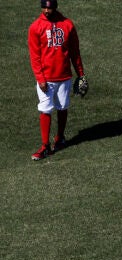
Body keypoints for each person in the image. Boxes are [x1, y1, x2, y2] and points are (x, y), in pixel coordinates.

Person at [28, 0, 86, 161]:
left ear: (55, 7)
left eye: (49, 7)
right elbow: (35, 56)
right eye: (44, 7)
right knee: (45, 109)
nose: (46, 10)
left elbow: (75, 52)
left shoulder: (67, 24)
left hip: (64, 76)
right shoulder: (35, 27)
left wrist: (81, 74)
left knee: (62, 107)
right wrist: (40, 78)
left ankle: (60, 138)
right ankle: (45, 146)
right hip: (46, 79)